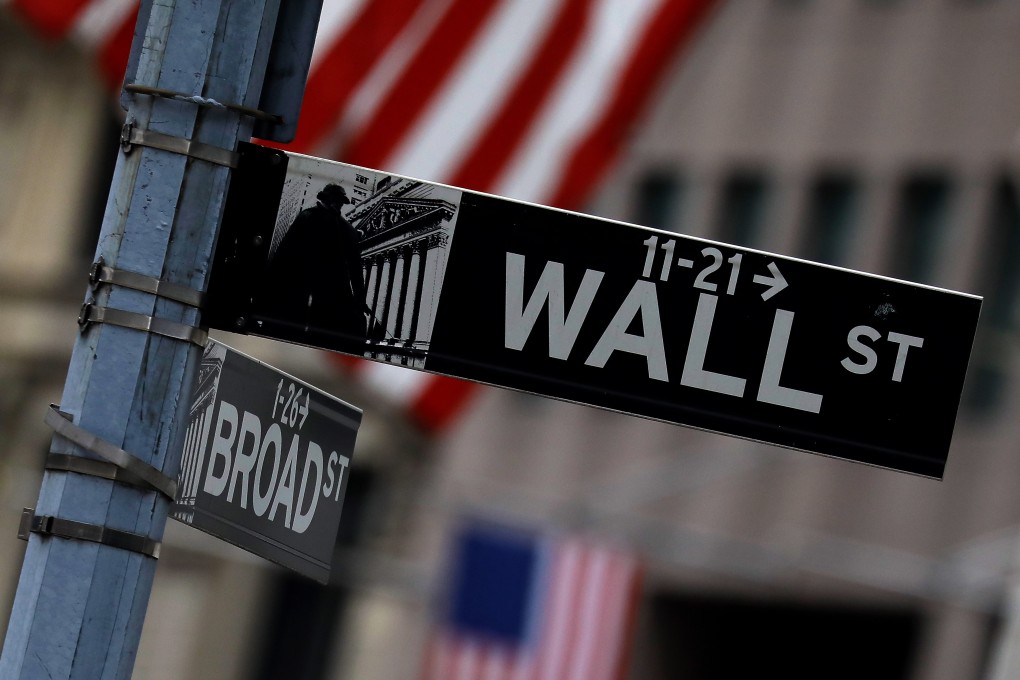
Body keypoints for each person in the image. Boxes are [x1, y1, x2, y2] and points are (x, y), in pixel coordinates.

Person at [260, 183, 369, 339]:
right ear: (327, 199)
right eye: (335, 200)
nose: (336, 204)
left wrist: (360, 300)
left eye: (339, 201)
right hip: (303, 291)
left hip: (323, 296)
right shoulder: (309, 217)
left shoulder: (342, 228)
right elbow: (284, 256)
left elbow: (356, 268)